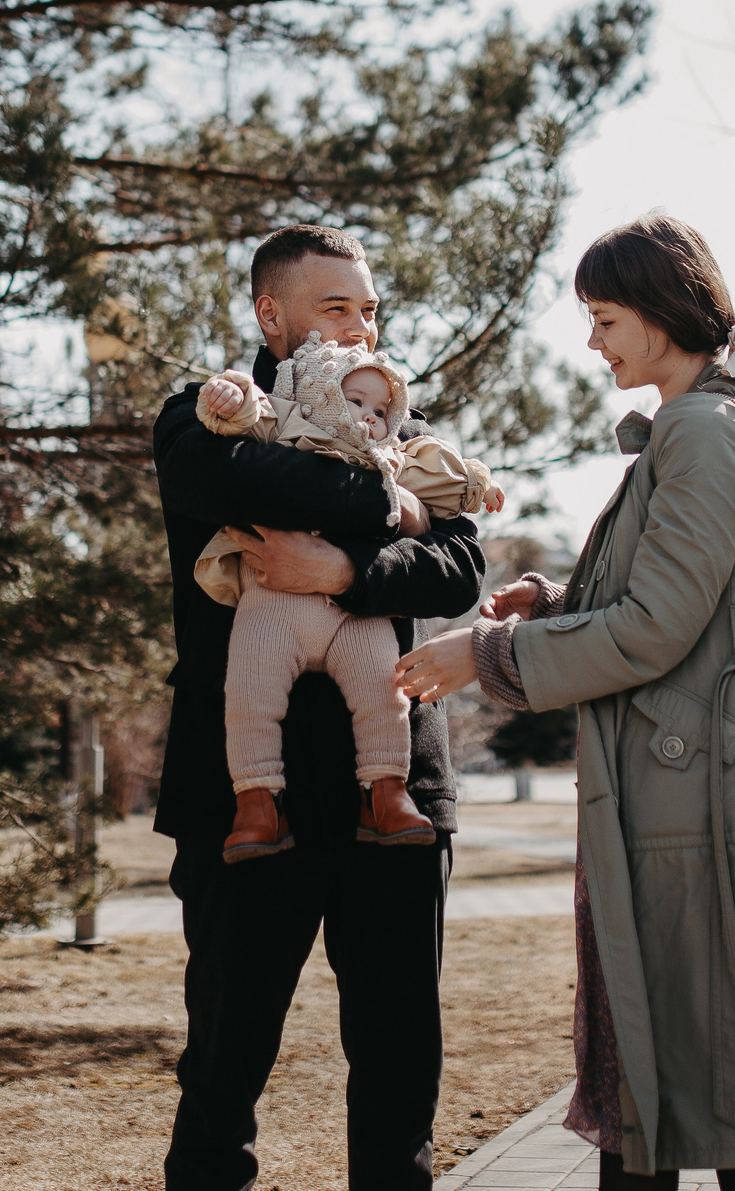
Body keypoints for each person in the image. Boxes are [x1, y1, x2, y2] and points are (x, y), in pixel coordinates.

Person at [398, 214, 735, 1191]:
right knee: (687, 1050)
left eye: (605, 318)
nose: (592, 342)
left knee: (680, 1050)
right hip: (692, 776)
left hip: (691, 784)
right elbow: (681, 607)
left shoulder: (702, 428)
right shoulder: (709, 423)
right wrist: (551, 603)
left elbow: (656, 631)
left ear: (663, 313)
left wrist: (491, 655)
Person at [153, 223, 487, 1191]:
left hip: (396, 790)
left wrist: (345, 569)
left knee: (398, 1072)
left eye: (369, 307)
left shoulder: (409, 428)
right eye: (334, 306)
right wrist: (396, 508)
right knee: (222, 1068)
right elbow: (232, 477)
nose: (360, 324)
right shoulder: (203, 416)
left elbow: (462, 564)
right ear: (272, 316)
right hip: (243, 801)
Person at [193, 335, 501, 860]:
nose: (370, 418)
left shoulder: (394, 457)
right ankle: (257, 801)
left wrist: (473, 486)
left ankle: (386, 794)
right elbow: (246, 420)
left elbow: (441, 489)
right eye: (354, 401)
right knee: (250, 693)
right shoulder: (289, 424)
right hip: (274, 605)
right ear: (318, 395)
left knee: (386, 691)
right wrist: (230, 397)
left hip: (358, 614)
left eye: (381, 410)